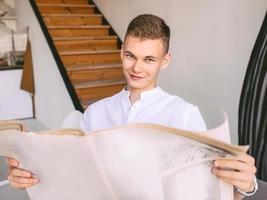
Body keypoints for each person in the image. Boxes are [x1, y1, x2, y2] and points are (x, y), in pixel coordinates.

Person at [7, 14, 257, 199]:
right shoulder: (94, 113)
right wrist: (31, 176)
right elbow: (69, 177)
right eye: (130, 56)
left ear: (165, 61)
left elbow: (208, 190)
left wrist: (244, 188)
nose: (137, 68)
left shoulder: (184, 114)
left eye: (149, 59)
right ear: (122, 53)